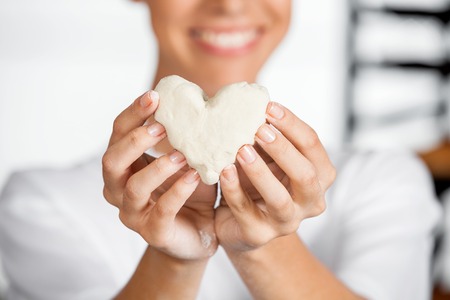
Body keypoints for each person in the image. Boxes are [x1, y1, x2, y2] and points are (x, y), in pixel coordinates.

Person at [0, 0, 442, 299]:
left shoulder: (382, 182)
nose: (230, 4)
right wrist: (174, 259)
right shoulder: (41, 204)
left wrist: (262, 244)